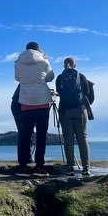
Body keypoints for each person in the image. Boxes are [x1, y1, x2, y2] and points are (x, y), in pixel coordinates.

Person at [14, 41, 55, 176]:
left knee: (26, 134)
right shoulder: (44, 62)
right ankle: (39, 165)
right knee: (41, 135)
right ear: (38, 50)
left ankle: (23, 165)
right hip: (42, 101)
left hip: (25, 102)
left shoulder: (18, 62)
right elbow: (50, 77)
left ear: (26, 50)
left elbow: (17, 78)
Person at [55, 56, 94, 177]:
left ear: (64, 65)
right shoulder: (81, 76)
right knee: (82, 139)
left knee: (68, 140)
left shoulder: (60, 78)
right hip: (80, 110)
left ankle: (70, 167)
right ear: (74, 65)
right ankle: (86, 168)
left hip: (65, 111)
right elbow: (87, 94)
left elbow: (60, 93)